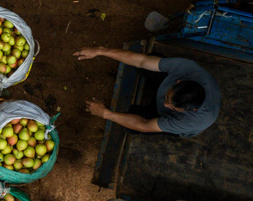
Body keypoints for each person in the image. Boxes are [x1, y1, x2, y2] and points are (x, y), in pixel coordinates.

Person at [74, 46, 220, 137]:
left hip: (170, 121)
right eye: (168, 98)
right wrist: (100, 50)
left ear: (192, 110)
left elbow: (144, 125)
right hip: (168, 81)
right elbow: (141, 60)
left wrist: (105, 113)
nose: (166, 105)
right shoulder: (188, 68)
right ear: (178, 82)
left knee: (133, 125)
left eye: (174, 108)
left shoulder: (190, 122)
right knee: (149, 59)